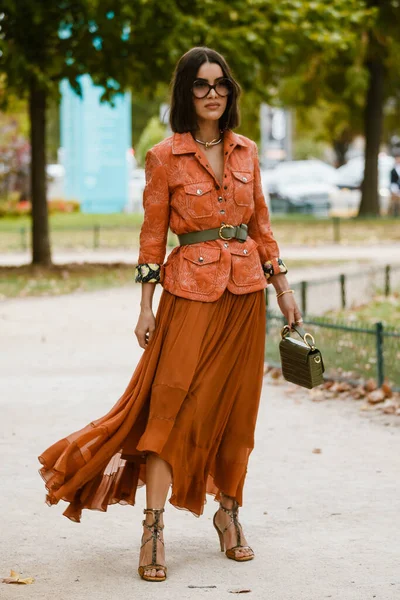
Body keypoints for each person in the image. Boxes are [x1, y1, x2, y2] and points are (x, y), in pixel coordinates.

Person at [38, 46, 302, 583]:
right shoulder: (164, 156)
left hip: (246, 292)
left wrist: (283, 288)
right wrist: (144, 307)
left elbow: (263, 226)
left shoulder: (247, 152)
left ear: (231, 92)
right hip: (187, 295)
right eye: (202, 85)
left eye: (221, 84)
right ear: (186, 93)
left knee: (236, 409)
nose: (213, 93)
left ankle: (228, 515)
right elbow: (152, 238)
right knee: (170, 405)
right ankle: (153, 526)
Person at [389, 152, 400, 217]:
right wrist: (394, 190)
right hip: (395, 187)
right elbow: (393, 181)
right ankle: (394, 213)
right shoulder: (393, 170)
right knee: (395, 201)